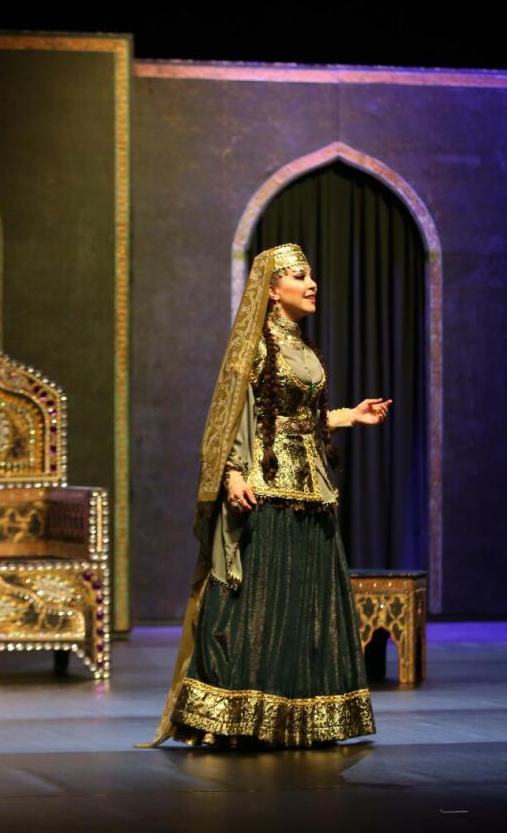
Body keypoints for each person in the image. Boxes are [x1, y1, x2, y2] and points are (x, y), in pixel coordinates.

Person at [143, 242, 392, 749]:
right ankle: (232, 717)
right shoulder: (254, 348)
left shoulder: (302, 347)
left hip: (312, 489)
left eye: (310, 275)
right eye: (299, 276)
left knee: (305, 604)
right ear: (273, 290)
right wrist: (232, 473)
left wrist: (350, 416)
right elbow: (236, 415)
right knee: (255, 603)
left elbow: (300, 420)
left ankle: (300, 716)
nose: (311, 283)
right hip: (265, 489)